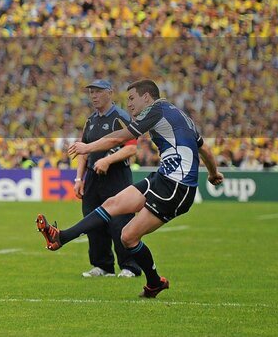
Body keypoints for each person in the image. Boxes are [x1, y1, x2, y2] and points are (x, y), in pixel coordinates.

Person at [36, 79, 223, 298]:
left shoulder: (156, 110)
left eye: (132, 99)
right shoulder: (179, 116)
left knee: (127, 236)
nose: (130, 104)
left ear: (147, 97)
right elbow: (205, 150)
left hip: (176, 187)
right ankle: (60, 237)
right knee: (112, 204)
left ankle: (154, 282)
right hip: (163, 177)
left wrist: (88, 147)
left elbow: (124, 136)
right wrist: (213, 173)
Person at [73, 80, 140, 279]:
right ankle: (102, 265)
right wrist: (79, 178)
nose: (93, 96)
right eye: (91, 92)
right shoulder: (91, 120)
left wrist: (108, 160)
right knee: (93, 222)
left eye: (98, 92)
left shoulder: (120, 117)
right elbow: (83, 150)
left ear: (110, 93)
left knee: (120, 221)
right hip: (94, 178)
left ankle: (130, 266)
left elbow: (131, 147)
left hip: (117, 176)